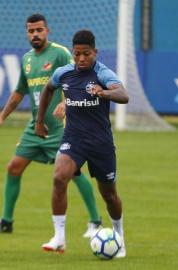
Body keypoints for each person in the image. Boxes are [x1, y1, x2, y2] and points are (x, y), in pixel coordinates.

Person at [0, 14, 102, 238]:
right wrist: (1, 118)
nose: (35, 34)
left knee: (73, 172)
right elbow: (19, 92)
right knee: (13, 167)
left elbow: (78, 79)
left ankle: (95, 221)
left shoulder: (60, 53)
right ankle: (6, 221)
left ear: (47, 31)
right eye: (31, 31)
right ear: (27, 33)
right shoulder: (27, 59)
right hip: (36, 127)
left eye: (39, 30)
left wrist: (66, 103)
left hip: (60, 128)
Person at [35, 29, 129, 258]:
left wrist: (104, 93)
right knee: (59, 177)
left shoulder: (103, 73)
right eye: (77, 54)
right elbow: (48, 89)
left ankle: (119, 236)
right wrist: (40, 121)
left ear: (95, 52)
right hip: (73, 139)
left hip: (100, 144)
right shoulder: (64, 73)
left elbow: (124, 95)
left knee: (109, 195)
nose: (81, 59)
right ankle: (59, 237)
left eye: (86, 54)